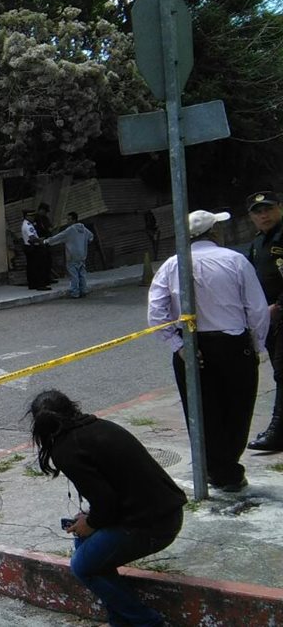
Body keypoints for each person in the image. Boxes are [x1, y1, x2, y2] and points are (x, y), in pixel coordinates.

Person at [27, 390, 186, 627]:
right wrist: (89, 521)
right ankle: (119, 621)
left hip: (152, 525)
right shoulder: (97, 426)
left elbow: (106, 503)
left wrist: (91, 522)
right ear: (72, 407)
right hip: (164, 514)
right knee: (83, 544)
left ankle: (147, 622)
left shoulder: (67, 449)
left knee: (83, 566)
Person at [147, 209, 269, 492]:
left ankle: (215, 466)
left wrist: (178, 346)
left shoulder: (171, 265)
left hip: (191, 345)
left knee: (201, 411)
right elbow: (257, 310)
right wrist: (256, 345)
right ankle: (227, 468)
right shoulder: (235, 260)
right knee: (236, 410)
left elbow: (156, 314)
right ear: (214, 233)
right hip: (233, 345)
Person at [245, 190, 283, 451]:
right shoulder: (258, 242)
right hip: (269, 319)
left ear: (280, 208)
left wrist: (279, 306)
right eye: (257, 212)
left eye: (268, 209)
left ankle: (278, 431)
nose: (264, 215)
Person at [45, 212, 95, 298]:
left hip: (72, 256)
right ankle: (83, 290)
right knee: (82, 274)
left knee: (74, 275)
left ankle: (75, 293)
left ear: (74, 220)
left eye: (69, 219)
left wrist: (46, 241)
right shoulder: (84, 229)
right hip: (82, 255)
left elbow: (59, 237)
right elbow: (91, 237)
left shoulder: (70, 230)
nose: (67, 221)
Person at [21, 210, 51, 291]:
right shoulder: (28, 225)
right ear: (27, 216)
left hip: (29, 247)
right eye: (31, 216)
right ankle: (40, 284)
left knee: (32, 267)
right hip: (33, 248)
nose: (33, 217)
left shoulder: (26, 224)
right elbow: (32, 238)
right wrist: (41, 240)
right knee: (39, 266)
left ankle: (33, 284)